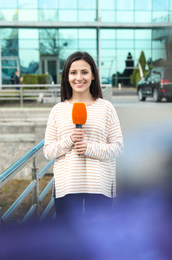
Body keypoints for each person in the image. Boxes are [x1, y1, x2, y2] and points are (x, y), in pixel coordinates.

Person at [43, 51, 124, 221]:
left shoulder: (106, 108)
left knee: (99, 242)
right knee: (68, 243)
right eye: (73, 73)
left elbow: (118, 148)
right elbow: (48, 151)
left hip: (100, 186)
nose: (79, 78)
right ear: (66, 76)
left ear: (93, 75)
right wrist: (69, 140)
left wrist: (89, 148)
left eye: (84, 72)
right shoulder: (58, 110)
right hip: (67, 187)